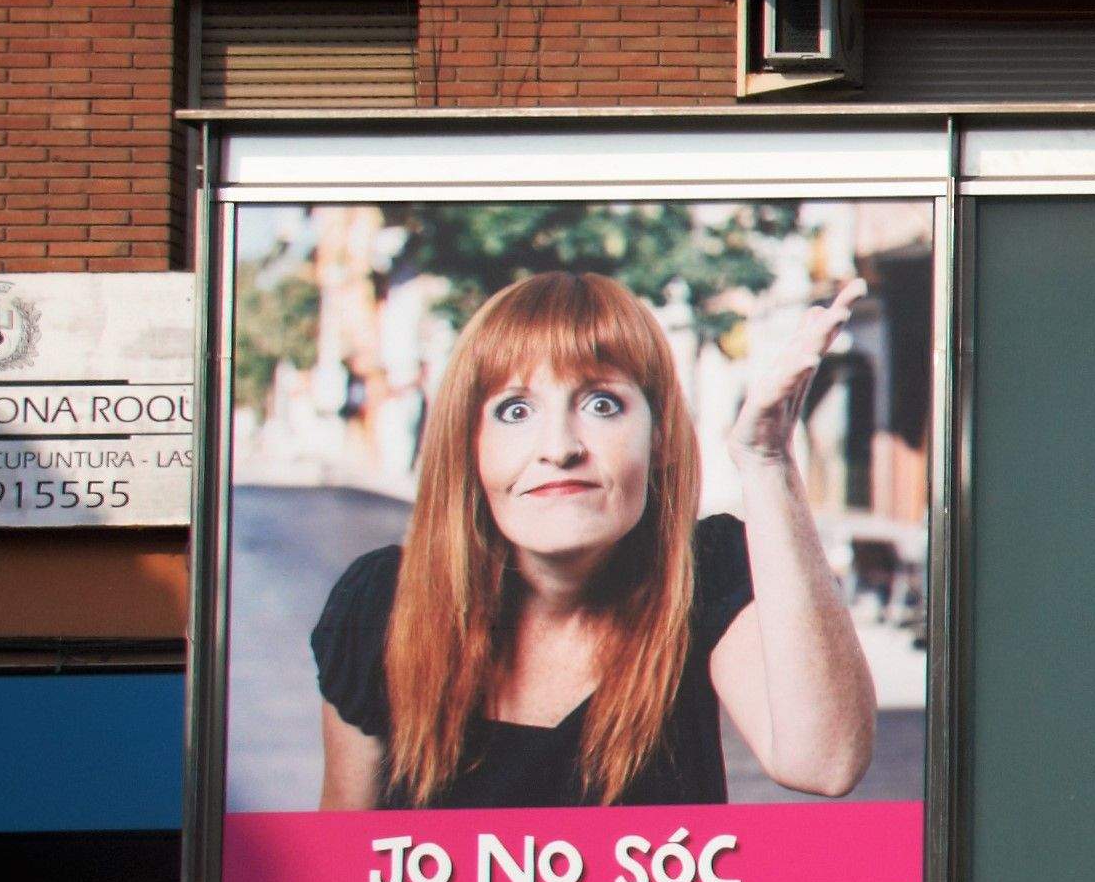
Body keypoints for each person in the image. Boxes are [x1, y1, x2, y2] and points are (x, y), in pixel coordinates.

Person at [313, 268, 878, 811]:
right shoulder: (379, 603)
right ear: (471, 447)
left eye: (601, 405)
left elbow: (824, 761)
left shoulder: (710, 571)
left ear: (657, 438)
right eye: (515, 410)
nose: (559, 447)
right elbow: (344, 871)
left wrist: (767, 459)